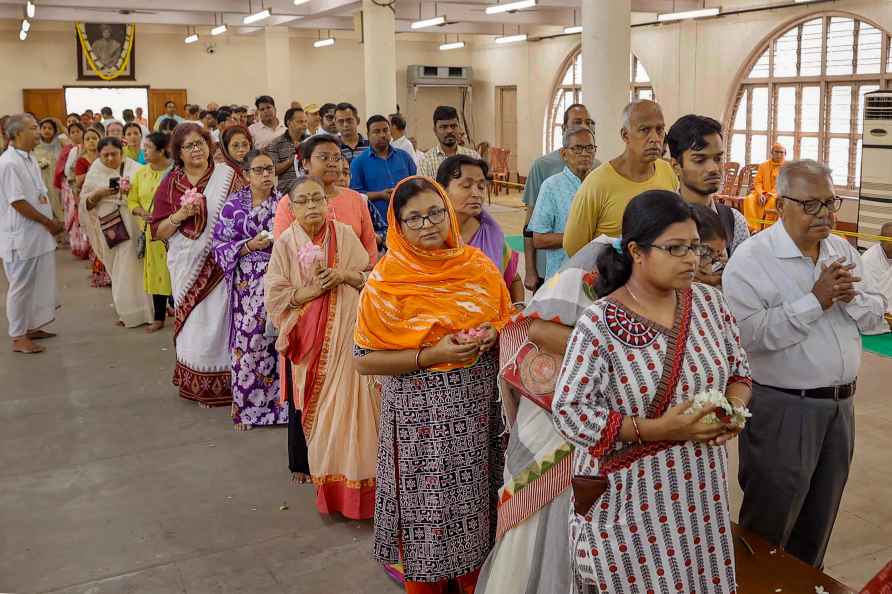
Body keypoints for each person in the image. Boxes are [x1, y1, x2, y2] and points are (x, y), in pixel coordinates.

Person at [552, 190, 751, 592]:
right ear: (637, 252)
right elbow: (570, 411)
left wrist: (733, 409)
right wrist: (659, 429)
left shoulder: (710, 304)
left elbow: (739, 371)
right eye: (675, 248)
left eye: (696, 247)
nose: (692, 259)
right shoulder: (600, 323)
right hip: (630, 500)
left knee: (697, 579)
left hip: (699, 492)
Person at [723, 159, 888, 568]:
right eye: (812, 205)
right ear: (782, 205)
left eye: (831, 203)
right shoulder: (752, 259)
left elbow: (874, 315)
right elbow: (747, 337)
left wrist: (852, 298)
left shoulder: (839, 249)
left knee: (818, 520)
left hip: (840, 408)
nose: (826, 215)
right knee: (770, 521)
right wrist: (816, 300)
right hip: (783, 408)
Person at [354, 176, 513, 593]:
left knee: (477, 509)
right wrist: (432, 356)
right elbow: (364, 361)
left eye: (435, 213)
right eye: (414, 218)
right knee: (429, 517)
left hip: (478, 418)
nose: (428, 224)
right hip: (418, 424)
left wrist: (494, 333)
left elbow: (504, 316)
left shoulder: (477, 267)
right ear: (398, 226)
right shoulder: (386, 282)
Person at [266, 174, 378, 517]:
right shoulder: (285, 244)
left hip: (351, 339)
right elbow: (276, 298)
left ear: (327, 204)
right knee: (326, 418)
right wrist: (311, 291)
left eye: (317, 199)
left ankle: (366, 491)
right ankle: (332, 491)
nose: (312, 206)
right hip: (312, 348)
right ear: (291, 207)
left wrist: (344, 276)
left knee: (358, 413)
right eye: (303, 201)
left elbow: (372, 278)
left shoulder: (344, 234)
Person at [151, 124, 241, 407]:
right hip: (186, 265)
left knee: (222, 321)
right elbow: (159, 231)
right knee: (194, 323)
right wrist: (180, 215)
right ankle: (198, 383)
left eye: (201, 143)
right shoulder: (170, 183)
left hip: (223, 266)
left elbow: (247, 213)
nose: (197, 149)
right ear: (178, 153)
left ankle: (231, 383)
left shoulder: (228, 176)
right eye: (189, 146)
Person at [212, 151, 287, 430]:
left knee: (281, 341)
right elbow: (219, 244)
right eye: (259, 170)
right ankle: (247, 411)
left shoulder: (284, 204)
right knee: (249, 343)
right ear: (246, 175)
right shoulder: (233, 206)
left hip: (280, 279)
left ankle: (284, 409)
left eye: (269, 169)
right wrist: (248, 246)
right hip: (247, 284)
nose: (266, 174)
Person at [563, 100, 679, 257]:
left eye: (659, 130)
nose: (655, 138)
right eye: (644, 130)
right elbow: (574, 249)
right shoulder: (598, 182)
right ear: (625, 135)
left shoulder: (667, 172)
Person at [0, 114, 64, 354]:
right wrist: (49, 223)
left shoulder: (29, 159)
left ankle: (31, 326)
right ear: (17, 134)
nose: (39, 132)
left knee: (36, 284)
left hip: (36, 234)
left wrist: (51, 219)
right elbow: (17, 202)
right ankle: (18, 336)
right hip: (21, 236)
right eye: (33, 128)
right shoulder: (8, 163)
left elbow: (38, 195)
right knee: (21, 285)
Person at [522, 104, 597, 291]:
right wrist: (580, 238)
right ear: (564, 153)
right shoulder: (551, 185)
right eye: (578, 149)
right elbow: (538, 238)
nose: (585, 154)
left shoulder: (601, 181)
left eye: (589, 148)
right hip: (560, 279)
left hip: (596, 280)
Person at [79, 136, 153, 328]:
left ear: (122, 153)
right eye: (105, 155)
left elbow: (147, 195)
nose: (110, 158)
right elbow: (85, 204)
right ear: (98, 155)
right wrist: (100, 193)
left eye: (114, 154)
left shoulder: (136, 168)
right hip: (109, 226)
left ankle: (146, 311)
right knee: (118, 267)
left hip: (133, 224)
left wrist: (129, 192)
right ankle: (127, 312)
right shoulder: (95, 171)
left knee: (135, 265)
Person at [273, 134, 378, 260]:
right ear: (306, 163)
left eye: (337, 158)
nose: (332, 163)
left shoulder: (356, 199)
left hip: (355, 276)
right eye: (324, 158)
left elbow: (370, 248)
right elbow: (283, 251)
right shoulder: (291, 201)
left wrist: (360, 276)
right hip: (306, 277)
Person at [437, 154, 523, 302]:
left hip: (490, 322)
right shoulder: (430, 236)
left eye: (481, 186)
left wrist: (518, 307)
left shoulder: (491, 234)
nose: (476, 193)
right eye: (466, 186)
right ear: (442, 190)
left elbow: (513, 279)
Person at [667, 114, 749, 255]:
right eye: (699, 160)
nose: (713, 168)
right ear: (676, 166)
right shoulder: (657, 219)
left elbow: (745, 275)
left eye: (718, 158)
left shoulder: (734, 223)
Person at [127, 131, 173, 333]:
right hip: (151, 234)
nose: (144, 151)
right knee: (156, 274)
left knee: (175, 272)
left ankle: (181, 314)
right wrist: (141, 212)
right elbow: (132, 200)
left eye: (148, 148)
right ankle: (159, 317)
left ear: (162, 151)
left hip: (172, 231)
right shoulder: (141, 173)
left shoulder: (174, 173)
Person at [349, 115, 416, 224]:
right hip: (378, 225)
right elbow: (355, 195)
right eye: (376, 131)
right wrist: (380, 195)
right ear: (368, 135)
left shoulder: (404, 157)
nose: (382, 135)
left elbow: (416, 182)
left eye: (386, 130)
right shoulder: (358, 162)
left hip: (408, 221)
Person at [74, 127, 111, 287]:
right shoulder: (82, 161)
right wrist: (92, 172)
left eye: (94, 138)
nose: (91, 141)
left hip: (108, 202)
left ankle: (110, 272)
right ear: (83, 143)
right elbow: (77, 182)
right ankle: (100, 275)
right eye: (87, 138)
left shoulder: (107, 157)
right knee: (95, 238)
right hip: (91, 201)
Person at [417, 106, 480, 178]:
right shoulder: (425, 162)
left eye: (453, 126)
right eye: (444, 127)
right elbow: (422, 188)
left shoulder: (473, 157)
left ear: (459, 128)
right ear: (435, 130)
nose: (449, 131)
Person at [54, 122, 84, 252]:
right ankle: (78, 246)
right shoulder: (72, 150)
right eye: (73, 132)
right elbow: (66, 170)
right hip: (73, 187)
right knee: (75, 217)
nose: (76, 134)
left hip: (86, 187)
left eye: (78, 131)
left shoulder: (88, 147)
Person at [743, 143, 786, 232]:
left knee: (772, 202)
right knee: (749, 199)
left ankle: (767, 230)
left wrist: (769, 195)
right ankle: (753, 228)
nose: (779, 155)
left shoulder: (787, 167)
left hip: (777, 194)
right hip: (761, 192)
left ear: (785, 154)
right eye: (776, 152)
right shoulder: (763, 165)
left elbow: (782, 184)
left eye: (781, 152)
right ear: (771, 153)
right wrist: (761, 194)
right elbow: (757, 182)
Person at [268, 106, 309, 195]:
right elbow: (272, 170)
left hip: (309, 189)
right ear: (289, 123)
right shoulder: (276, 143)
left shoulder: (311, 141)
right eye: (300, 122)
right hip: (286, 193)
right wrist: (295, 157)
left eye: (306, 121)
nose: (305, 125)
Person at [33, 118, 65, 226]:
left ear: (55, 131)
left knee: (60, 203)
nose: (47, 130)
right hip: (43, 179)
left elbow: (71, 141)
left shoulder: (60, 142)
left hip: (59, 179)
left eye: (50, 128)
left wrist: (59, 124)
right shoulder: (35, 145)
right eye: (44, 128)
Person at [861, 221, 892, 323]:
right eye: (889, 239)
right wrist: (886, 315)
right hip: (877, 314)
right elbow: (867, 295)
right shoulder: (868, 259)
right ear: (880, 239)